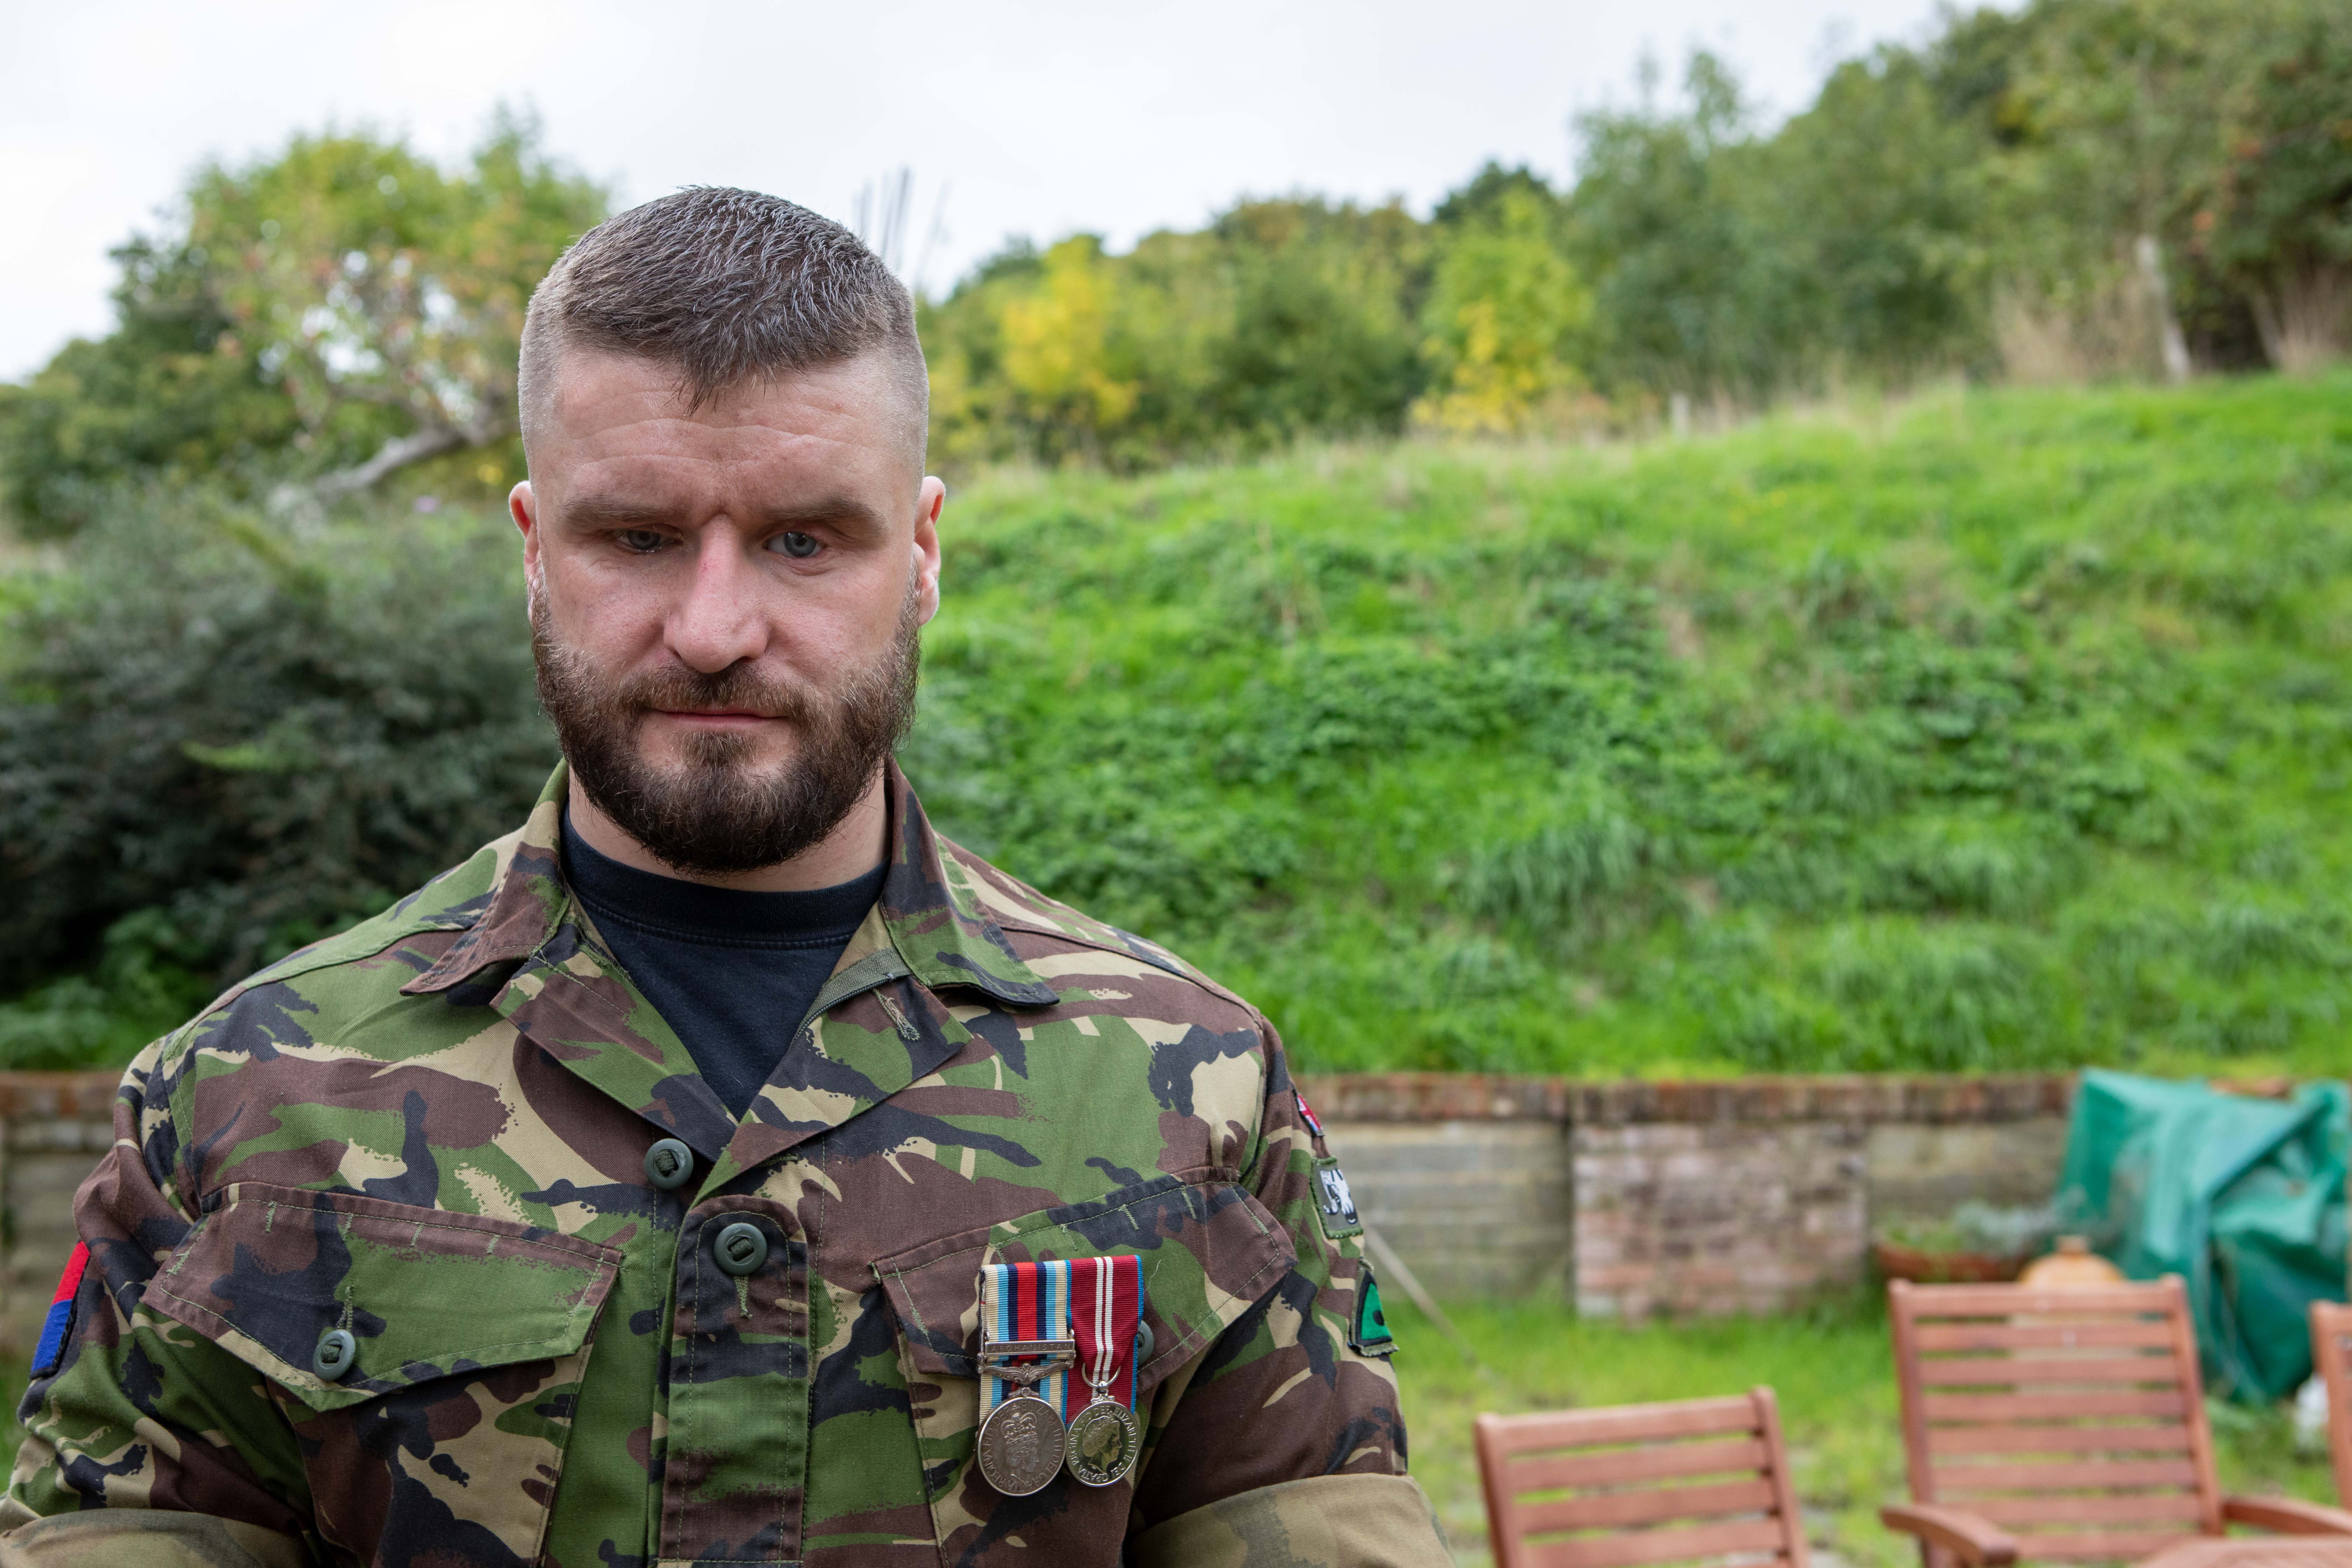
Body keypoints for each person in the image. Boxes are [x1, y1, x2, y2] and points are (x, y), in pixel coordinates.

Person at [0, 188, 1450, 1568]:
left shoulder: (1190, 1085)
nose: (713, 626)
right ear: (533, 550)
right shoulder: (246, 1098)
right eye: (635, 536)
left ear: (925, 551)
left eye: (804, 539)